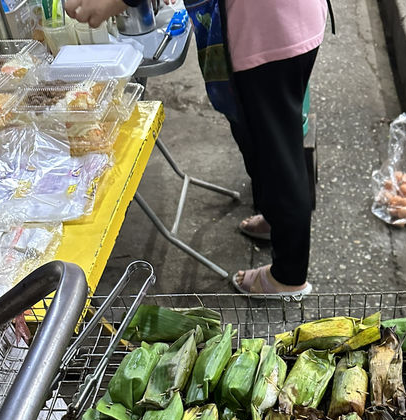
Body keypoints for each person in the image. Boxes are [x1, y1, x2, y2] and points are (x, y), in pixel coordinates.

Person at [64, 0, 330, 299]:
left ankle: (289, 276)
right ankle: (277, 218)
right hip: (277, 22)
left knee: (279, 153)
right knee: (259, 139)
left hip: (269, 30)